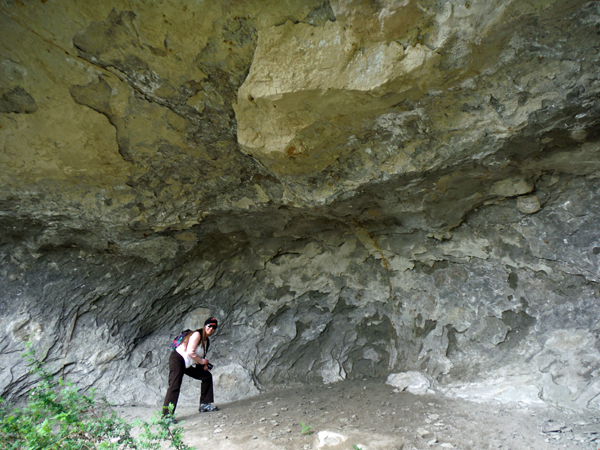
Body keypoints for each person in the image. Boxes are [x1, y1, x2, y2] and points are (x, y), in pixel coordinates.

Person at [162, 317, 219, 418]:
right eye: (209, 326)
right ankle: (166, 416)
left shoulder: (206, 341)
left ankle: (205, 405)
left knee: (206, 376)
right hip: (178, 359)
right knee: (174, 386)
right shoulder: (197, 334)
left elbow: (198, 356)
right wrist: (201, 361)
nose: (211, 329)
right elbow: (190, 352)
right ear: (205, 326)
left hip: (188, 363)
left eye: (214, 328)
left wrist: (203, 365)